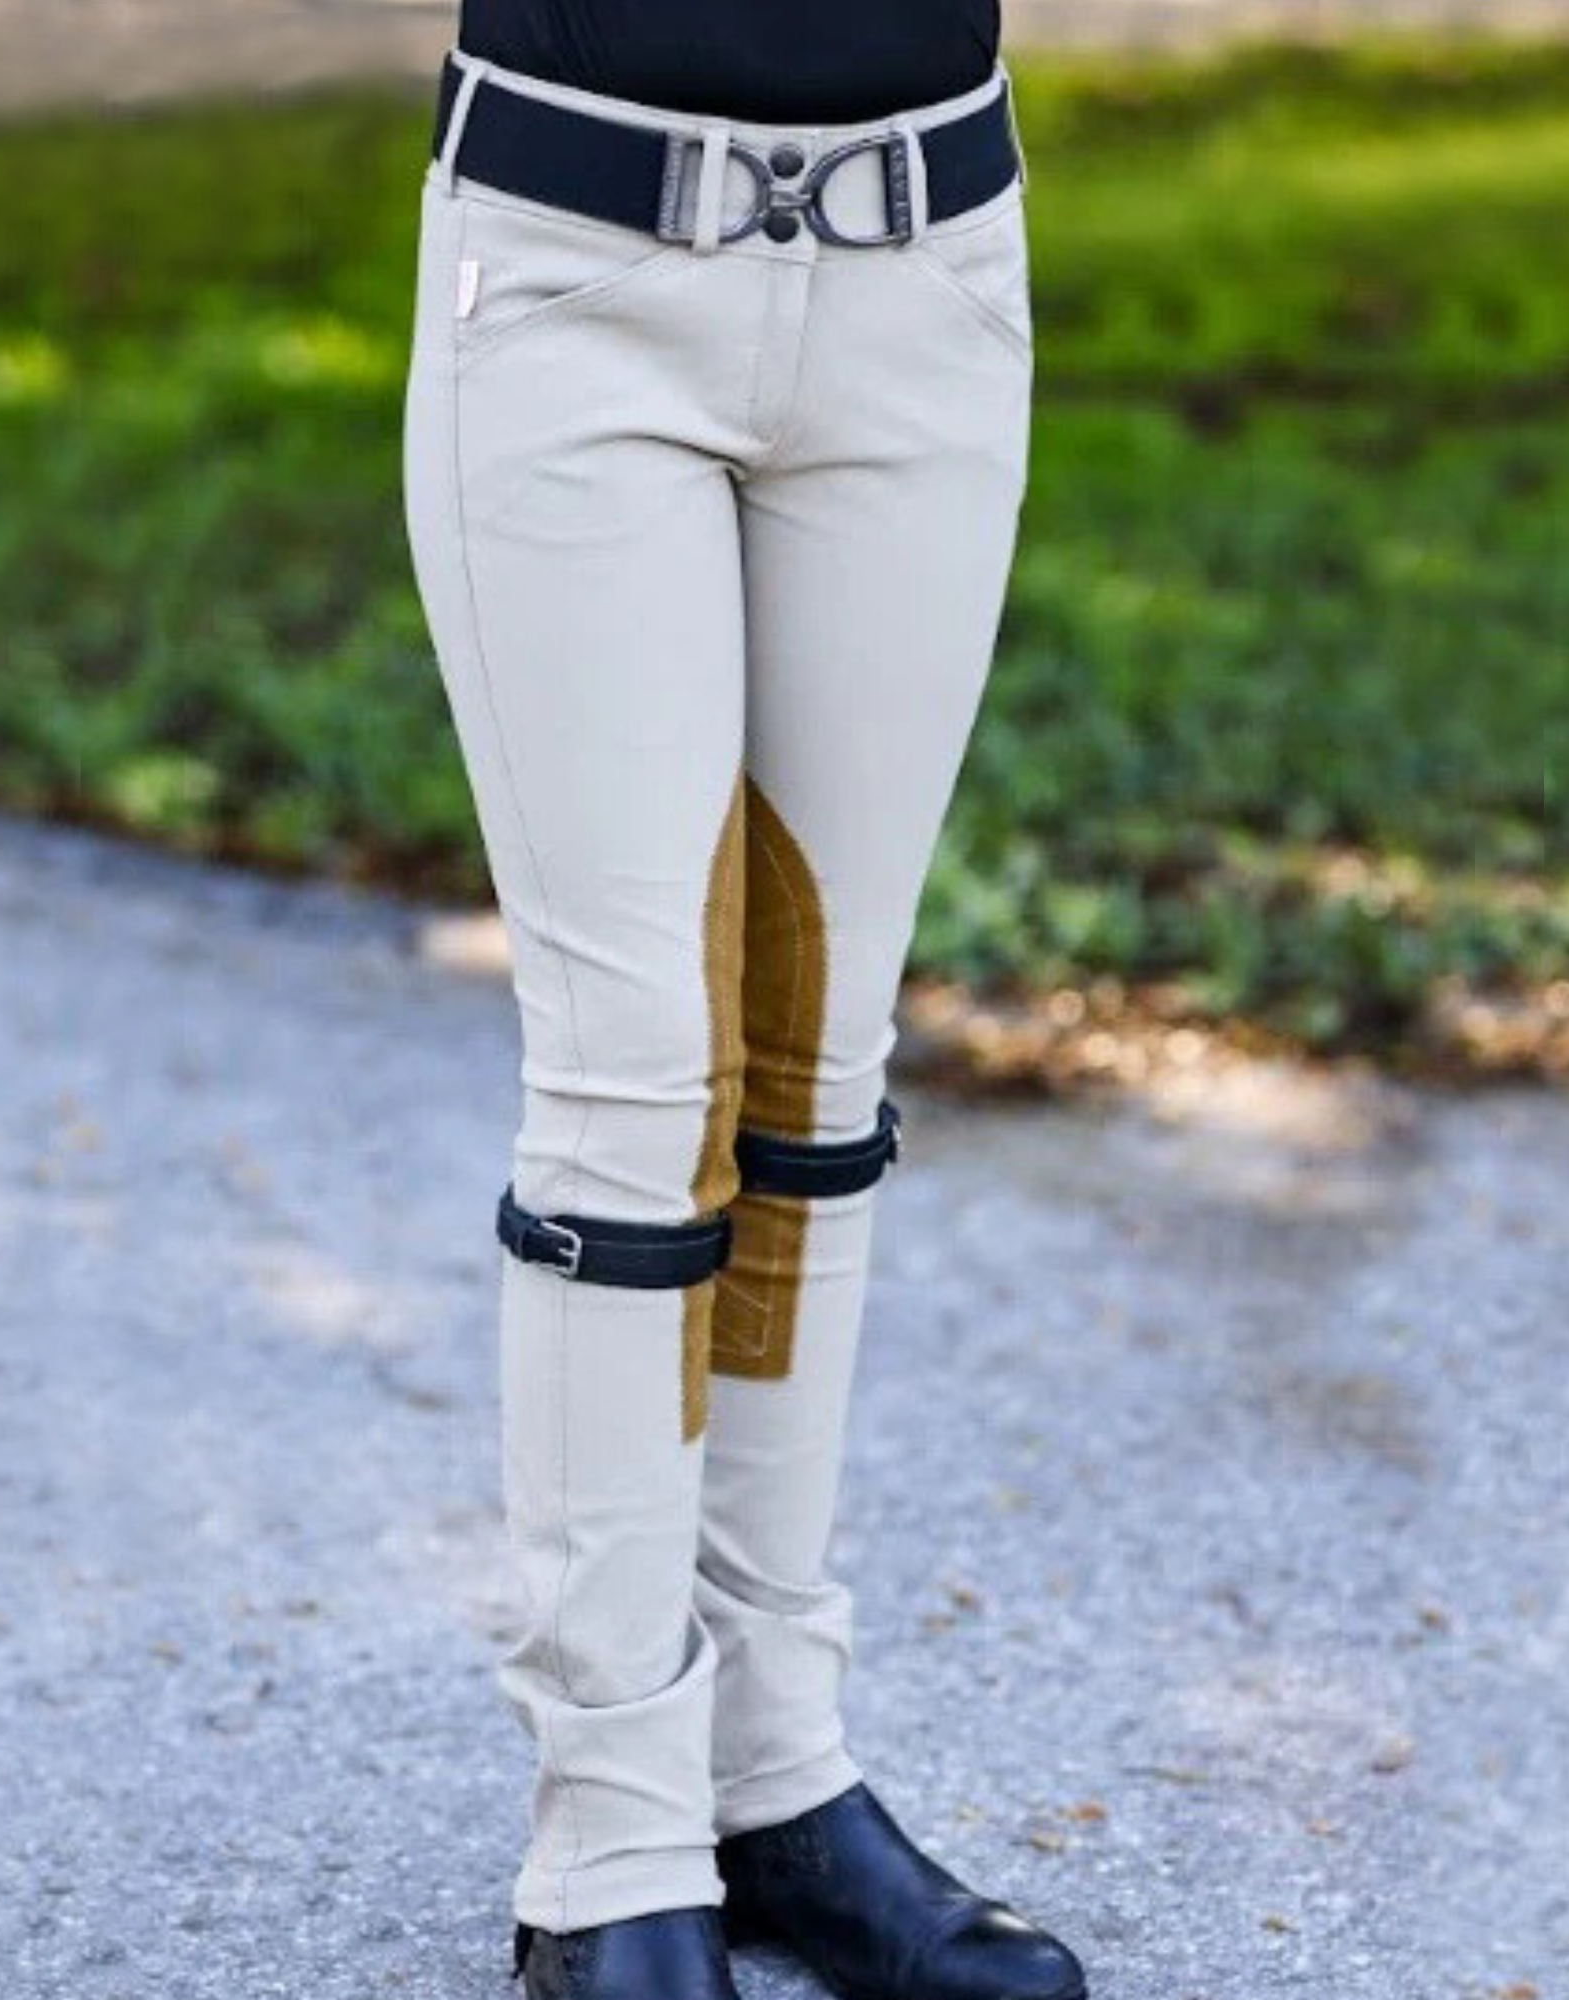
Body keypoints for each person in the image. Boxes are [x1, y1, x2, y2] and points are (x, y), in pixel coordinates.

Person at [402, 6, 1082, 1996]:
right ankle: (609, 1839)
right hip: (573, 263)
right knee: (634, 1080)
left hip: (928, 270)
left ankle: (775, 1780)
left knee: (817, 1064)